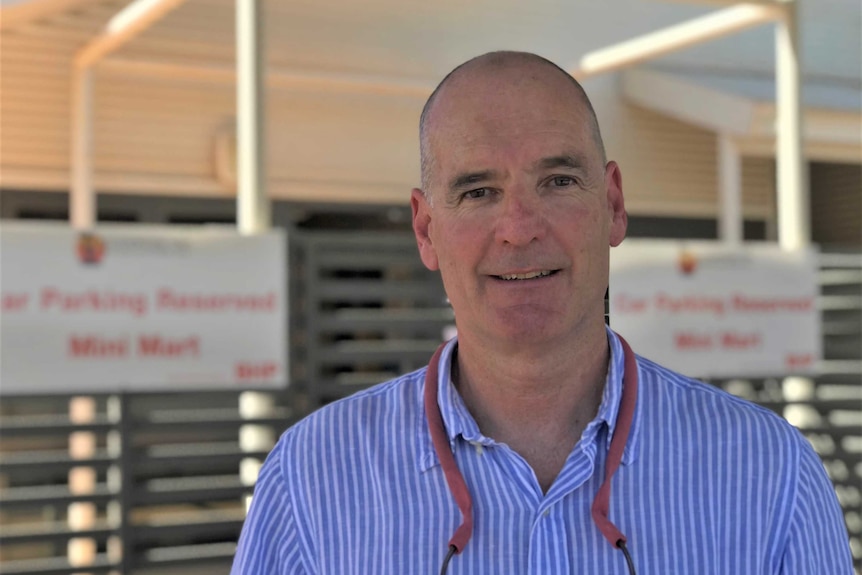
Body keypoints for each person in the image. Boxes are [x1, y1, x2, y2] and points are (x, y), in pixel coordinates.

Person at [231, 51, 852, 574]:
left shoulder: (771, 475)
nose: (519, 230)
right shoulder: (311, 480)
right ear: (426, 230)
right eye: (478, 192)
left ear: (612, 204)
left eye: (557, 181)